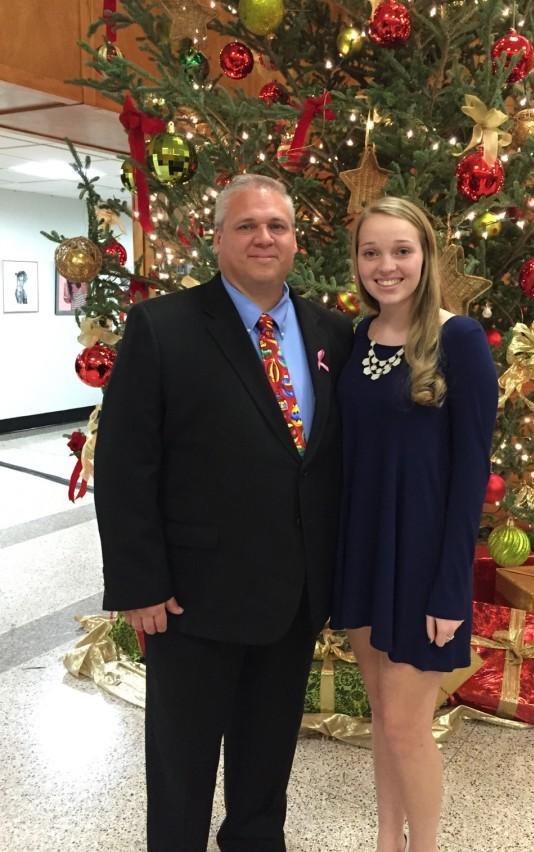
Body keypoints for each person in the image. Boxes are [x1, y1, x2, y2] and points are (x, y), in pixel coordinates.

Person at [94, 174, 353, 852]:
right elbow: (124, 467)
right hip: (191, 597)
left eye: (277, 226)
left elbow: (329, 462)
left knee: (266, 760)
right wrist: (139, 583)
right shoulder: (163, 327)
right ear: (217, 239)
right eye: (246, 226)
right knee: (182, 763)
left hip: (294, 596)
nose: (263, 237)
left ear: (296, 239)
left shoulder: (334, 331)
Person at [331, 197, 498, 852]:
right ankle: (385, 840)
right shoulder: (357, 337)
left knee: (406, 726)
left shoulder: (457, 339)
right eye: (371, 252)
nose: (385, 265)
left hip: (423, 556)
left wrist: (449, 588)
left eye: (400, 250)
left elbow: (469, 476)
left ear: (425, 255)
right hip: (365, 548)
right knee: (381, 717)